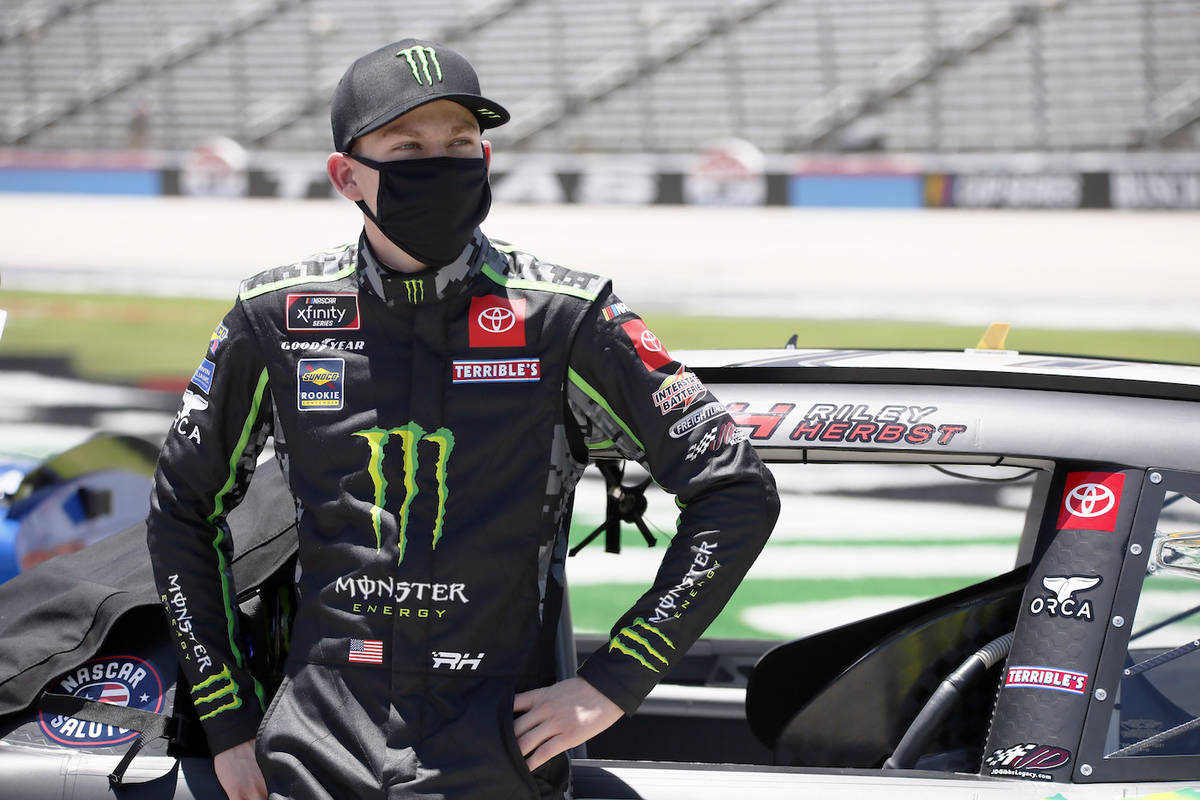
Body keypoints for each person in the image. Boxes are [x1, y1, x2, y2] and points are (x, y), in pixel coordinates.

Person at [146, 38, 779, 800]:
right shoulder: (275, 317)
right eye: (408, 146)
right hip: (309, 756)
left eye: (460, 144)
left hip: (499, 757)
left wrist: (617, 680)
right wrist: (228, 719)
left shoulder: (565, 317)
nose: (439, 161)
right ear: (346, 175)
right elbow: (183, 509)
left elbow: (736, 491)